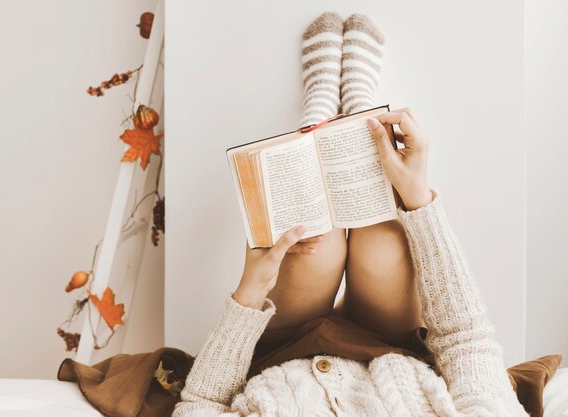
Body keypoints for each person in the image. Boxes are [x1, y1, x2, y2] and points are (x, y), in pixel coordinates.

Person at [172, 12, 528, 417]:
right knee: (383, 239)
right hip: (388, 344)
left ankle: (318, 122)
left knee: (311, 242)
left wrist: (250, 293)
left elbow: (201, 404)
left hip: (283, 351)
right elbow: (466, 338)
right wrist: (417, 198)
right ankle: (362, 119)